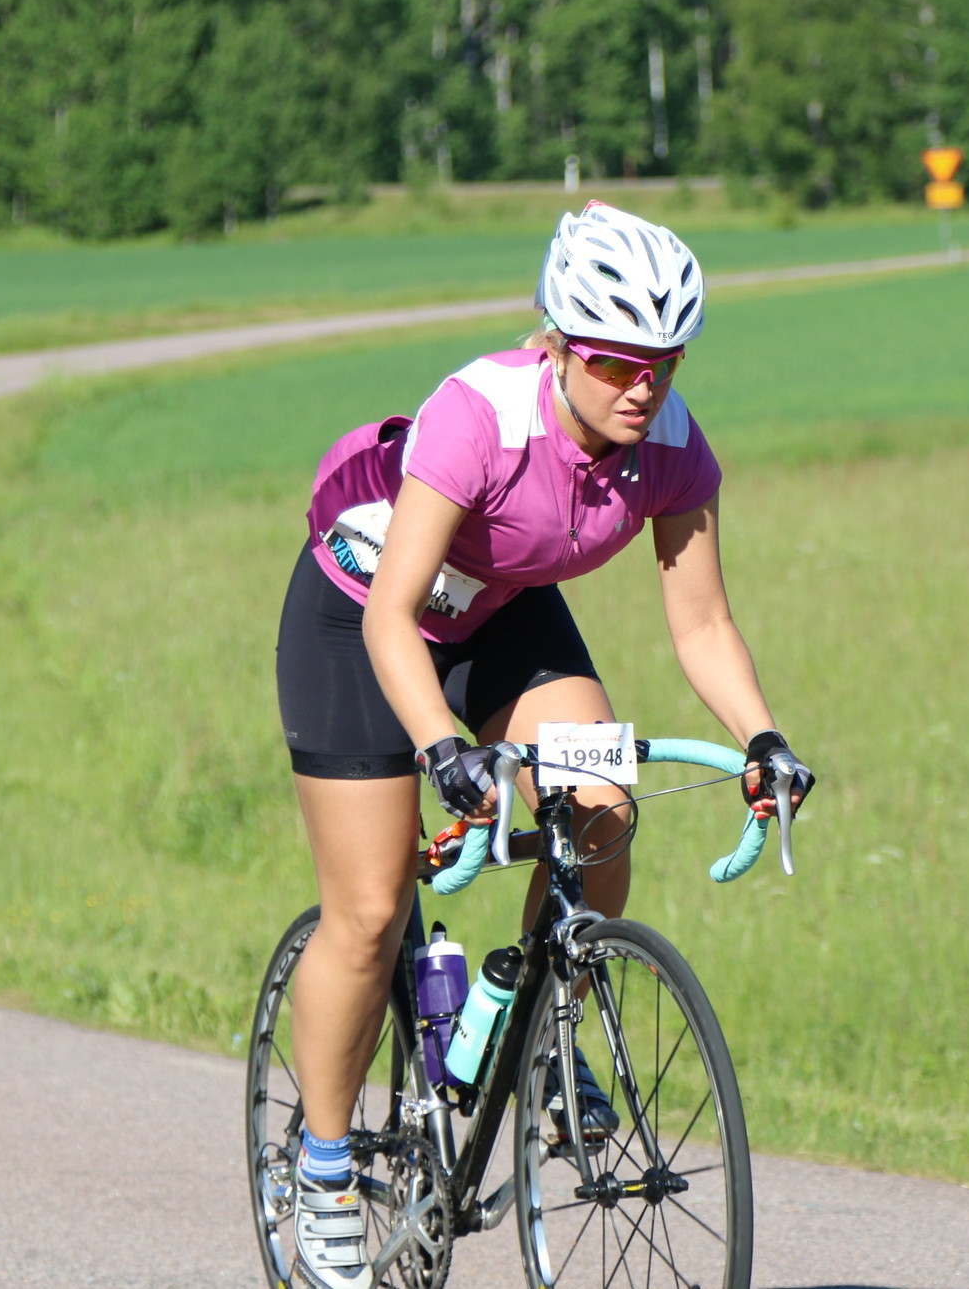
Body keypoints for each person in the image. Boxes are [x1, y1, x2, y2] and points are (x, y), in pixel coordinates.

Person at [274, 200, 815, 1289]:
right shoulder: (481, 416)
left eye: (663, 363)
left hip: (500, 614)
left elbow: (702, 623)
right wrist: (443, 749)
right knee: (370, 909)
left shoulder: (670, 446)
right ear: (560, 345)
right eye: (615, 362)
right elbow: (392, 618)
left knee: (600, 803)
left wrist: (762, 735)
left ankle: (541, 1042)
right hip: (364, 616)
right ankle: (323, 1173)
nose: (642, 388)